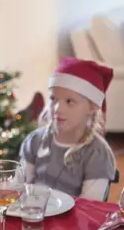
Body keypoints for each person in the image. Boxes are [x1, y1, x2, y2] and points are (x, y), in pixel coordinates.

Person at [20, 57, 116, 200]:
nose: (58, 109)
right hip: (32, 215)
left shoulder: (97, 154)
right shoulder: (35, 141)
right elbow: (19, 186)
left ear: (92, 107)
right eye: (53, 99)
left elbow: (89, 208)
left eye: (70, 101)